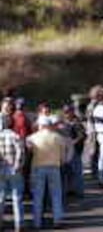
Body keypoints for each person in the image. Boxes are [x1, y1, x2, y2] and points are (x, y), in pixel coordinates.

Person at [26, 116, 67, 230]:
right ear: (49, 125)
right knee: (56, 195)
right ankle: (57, 220)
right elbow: (63, 157)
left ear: (40, 125)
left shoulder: (31, 138)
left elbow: (29, 152)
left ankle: (37, 222)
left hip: (38, 167)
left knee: (38, 195)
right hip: (54, 167)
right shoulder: (59, 137)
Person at [0, 99, 25, 232]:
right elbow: (21, 152)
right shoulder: (16, 136)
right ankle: (18, 224)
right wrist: (18, 166)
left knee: (1, 197)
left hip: (1, 168)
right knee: (17, 198)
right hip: (14, 169)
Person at [62, 104, 87, 197]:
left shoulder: (77, 123)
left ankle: (79, 191)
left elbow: (82, 136)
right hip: (65, 151)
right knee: (67, 172)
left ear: (72, 112)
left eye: (68, 112)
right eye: (65, 112)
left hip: (75, 151)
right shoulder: (63, 122)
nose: (66, 114)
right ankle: (69, 189)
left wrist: (72, 143)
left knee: (76, 171)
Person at [85, 85, 103, 178]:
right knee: (94, 150)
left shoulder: (97, 104)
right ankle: (94, 171)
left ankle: (96, 170)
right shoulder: (93, 105)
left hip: (95, 129)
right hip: (93, 130)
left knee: (97, 150)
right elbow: (90, 117)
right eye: (100, 93)